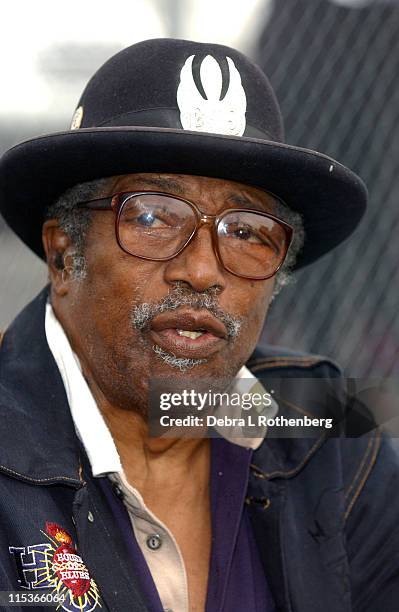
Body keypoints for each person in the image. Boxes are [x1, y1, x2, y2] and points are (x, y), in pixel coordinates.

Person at [0, 38, 397, 612]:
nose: (201, 270)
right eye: (153, 216)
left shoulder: (334, 430)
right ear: (64, 254)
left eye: (247, 232)